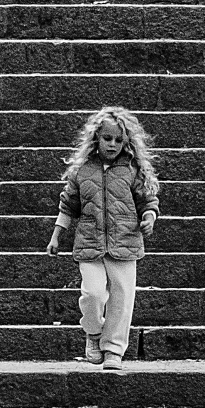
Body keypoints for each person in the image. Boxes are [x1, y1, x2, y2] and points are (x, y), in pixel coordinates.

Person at [46, 106, 160, 372]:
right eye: (107, 138)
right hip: (90, 242)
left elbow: (147, 200)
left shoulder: (132, 170)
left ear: (126, 142)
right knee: (92, 294)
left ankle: (114, 350)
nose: (112, 144)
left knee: (122, 298)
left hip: (125, 241)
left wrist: (149, 218)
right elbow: (68, 205)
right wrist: (56, 236)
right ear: (96, 137)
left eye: (119, 140)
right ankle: (93, 332)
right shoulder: (82, 171)